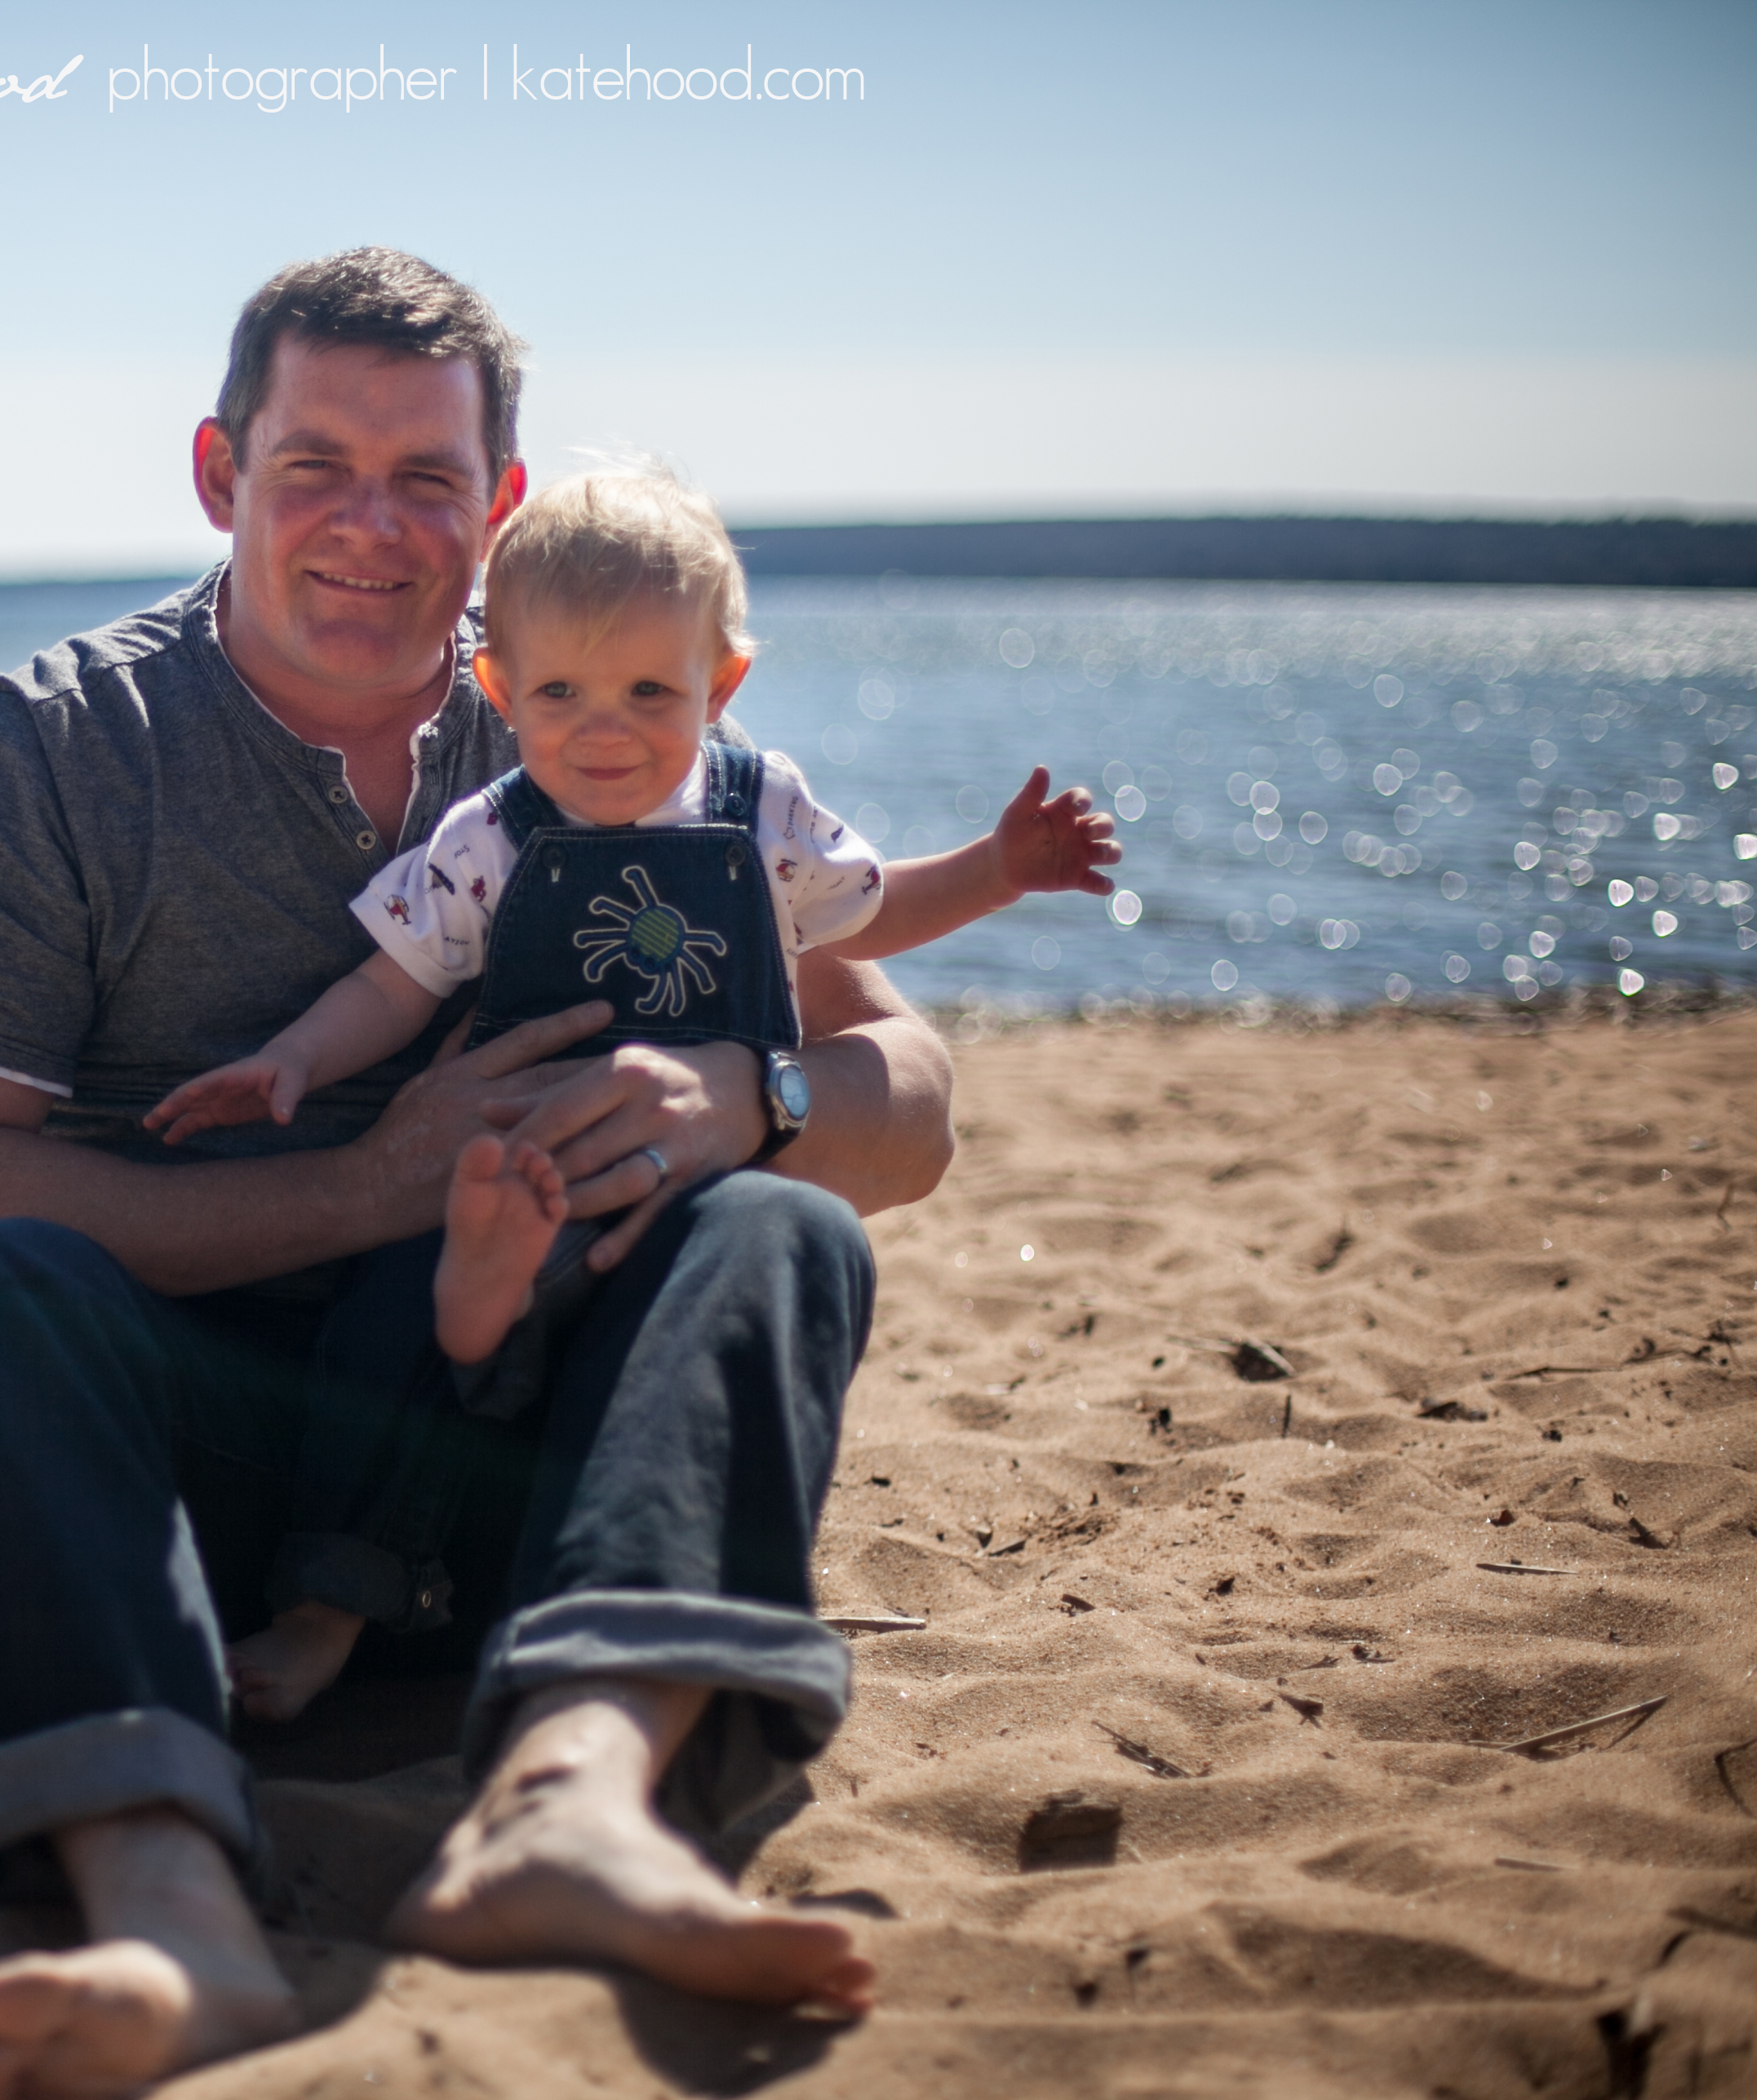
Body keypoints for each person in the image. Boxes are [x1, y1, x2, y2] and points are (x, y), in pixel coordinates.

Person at [0, 247, 954, 2099]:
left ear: (495, 503)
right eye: (314, 468)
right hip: (171, 1508)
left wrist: (738, 1096)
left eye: (426, 476)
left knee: (774, 1224)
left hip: (515, 1467)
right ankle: (169, 1913)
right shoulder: (46, 754)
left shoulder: (613, 721)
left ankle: (571, 1805)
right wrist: (368, 1187)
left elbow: (906, 1105)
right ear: (220, 474)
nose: (372, 524)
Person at [145, 467, 1120, 1724]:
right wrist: (290, 1059)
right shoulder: (488, 837)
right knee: (392, 1325)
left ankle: (627, 1622)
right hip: (521, 1169)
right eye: (559, 694)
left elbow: (867, 913)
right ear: (500, 687)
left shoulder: (760, 814)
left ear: (721, 683)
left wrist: (996, 866)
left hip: (686, 1184)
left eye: (649, 693)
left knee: (708, 1309)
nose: (601, 730)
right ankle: (326, 1612)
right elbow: (391, 984)